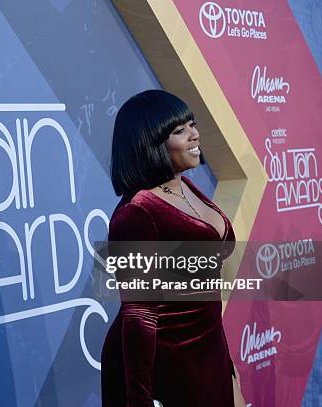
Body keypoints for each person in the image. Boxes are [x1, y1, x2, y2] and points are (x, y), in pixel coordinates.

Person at [101, 90, 246, 406]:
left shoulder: (186, 188)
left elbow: (205, 299)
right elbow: (139, 314)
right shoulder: (137, 213)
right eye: (179, 130)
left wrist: (227, 366)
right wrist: (139, 397)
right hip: (165, 366)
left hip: (206, 353)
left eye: (192, 125)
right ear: (149, 143)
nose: (194, 134)